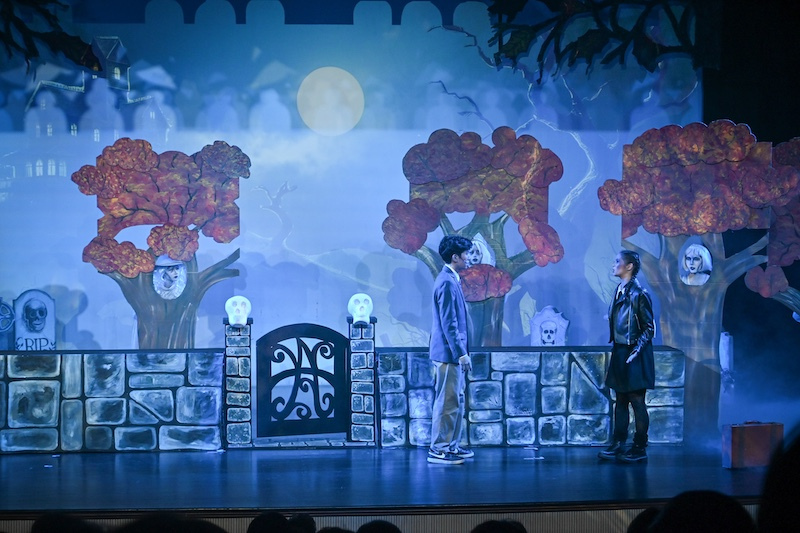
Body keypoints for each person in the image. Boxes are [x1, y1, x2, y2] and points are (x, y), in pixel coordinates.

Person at [598, 250, 655, 463]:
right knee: (620, 399)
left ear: (629, 266)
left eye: (617, 262)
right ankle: (618, 442)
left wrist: (636, 352)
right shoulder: (619, 290)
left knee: (637, 401)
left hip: (635, 352)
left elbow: (649, 328)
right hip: (621, 349)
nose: (613, 265)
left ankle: (639, 446)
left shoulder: (639, 293)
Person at [428, 234, 474, 465]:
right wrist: (461, 353)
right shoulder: (446, 281)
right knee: (447, 403)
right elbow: (449, 323)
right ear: (455, 257)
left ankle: (451, 445)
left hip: (453, 354)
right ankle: (439, 448)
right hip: (448, 354)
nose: (468, 258)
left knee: (455, 401)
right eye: (466, 254)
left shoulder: (451, 279)